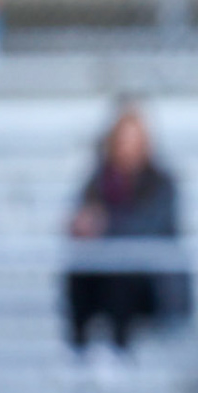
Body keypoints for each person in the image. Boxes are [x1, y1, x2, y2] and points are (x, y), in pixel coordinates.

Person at [65, 104, 188, 354]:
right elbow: (82, 214)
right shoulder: (99, 179)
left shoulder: (161, 183)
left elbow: (151, 229)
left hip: (149, 282)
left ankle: (118, 350)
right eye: (123, 140)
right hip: (105, 276)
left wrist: (104, 226)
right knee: (80, 271)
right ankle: (78, 350)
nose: (128, 148)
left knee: (121, 268)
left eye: (134, 140)